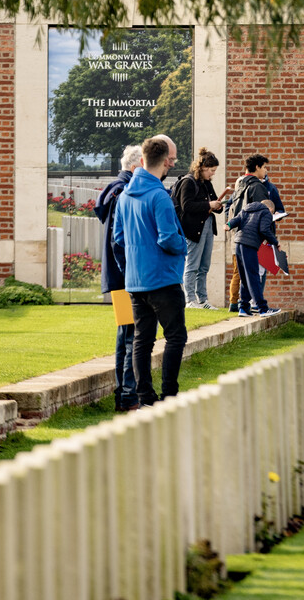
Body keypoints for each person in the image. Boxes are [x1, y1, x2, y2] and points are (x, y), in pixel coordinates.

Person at [112, 133, 191, 405]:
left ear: (142, 160)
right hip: (163, 279)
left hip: (135, 281)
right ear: (166, 163)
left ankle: (145, 396)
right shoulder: (159, 196)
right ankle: (169, 394)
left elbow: (119, 240)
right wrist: (183, 246)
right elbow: (168, 238)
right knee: (176, 337)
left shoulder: (124, 196)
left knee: (142, 342)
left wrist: (129, 268)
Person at [92, 144, 144, 410]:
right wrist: (130, 276)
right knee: (131, 336)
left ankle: (124, 394)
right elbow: (119, 241)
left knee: (126, 334)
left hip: (119, 275)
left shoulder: (114, 189)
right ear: (135, 167)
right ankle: (127, 396)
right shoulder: (123, 192)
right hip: (125, 276)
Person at [175, 148, 230, 309]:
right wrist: (208, 205)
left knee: (204, 266)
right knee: (192, 265)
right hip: (193, 230)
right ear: (203, 167)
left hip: (207, 227)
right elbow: (187, 205)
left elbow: (214, 204)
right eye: (211, 170)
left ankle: (202, 299)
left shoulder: (206, 184)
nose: (212, 174)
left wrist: (218, 205)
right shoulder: (188, 182)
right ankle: (190, 299)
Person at [227, 166, 280, 316]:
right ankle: (263, 308)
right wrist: (275, 242)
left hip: (238, 243)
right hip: (249, 245)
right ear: (270, 209)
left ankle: (243, 307)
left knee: (244, 276)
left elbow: (235, 220)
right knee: (253, 276)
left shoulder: (248, 208)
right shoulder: (266, 213)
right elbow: (264, 230)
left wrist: (228, 225)